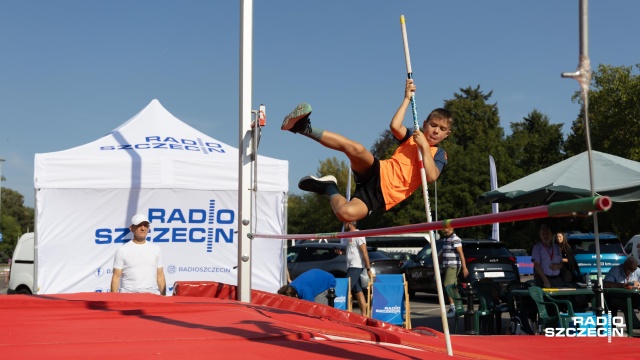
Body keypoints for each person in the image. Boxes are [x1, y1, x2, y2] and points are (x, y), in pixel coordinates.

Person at [281, 79, 451, 222]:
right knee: (356, 148)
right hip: (378, 170)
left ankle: (329, 187)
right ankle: (302, 128)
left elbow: (431, 176)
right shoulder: (412, 137)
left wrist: (424, 148)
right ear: (425, 124)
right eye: (433, 125)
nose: (436, 131)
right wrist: (407, 99)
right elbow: (394, 126)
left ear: (446, 134)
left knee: (345, 214)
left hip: (380, 197)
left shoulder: (439, 154)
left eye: (442, 129)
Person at [110, 213, 166, 295]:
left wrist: (163, 297)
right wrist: (113, 300)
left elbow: (160, 275)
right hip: (128, 296)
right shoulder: (122, 250)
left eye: (145, 225)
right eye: (139, 225)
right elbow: (116, 277)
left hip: (152, 295)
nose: (143, 228)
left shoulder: (156, 249)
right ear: (131, 228)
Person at [603, 257, 640, 328]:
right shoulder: (615, 270)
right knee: (626, 305)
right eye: (630, 269)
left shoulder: (637, 270)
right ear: (625, 265)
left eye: (634, 269)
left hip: (632, 295)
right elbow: (606, 284)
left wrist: (638, 284)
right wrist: (622, 285)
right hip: (617, 297)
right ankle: (635, 325)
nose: (632, 271)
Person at [344, 221, 372, 315]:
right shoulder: (349, 236)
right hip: (350, 266)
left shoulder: (358, 234)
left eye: (345, 223)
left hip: (356, 266)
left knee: (346, 289)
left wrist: (368, 269)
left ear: (350, 224)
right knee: (358, 291)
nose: (344, 225)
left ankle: (344, 313)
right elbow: (351, 251)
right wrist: (341, 252)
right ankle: (364, 315)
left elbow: (364, 252)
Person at [440, 227, 469, 317]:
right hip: (447, 265)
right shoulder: (446, 239)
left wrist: (464, 267)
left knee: (447, 285)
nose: (443, 229)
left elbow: (461, 253)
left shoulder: (455, 239)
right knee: (453, 286)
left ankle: (453, 308)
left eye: (445, 227)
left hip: (453, 265)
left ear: (450, 228)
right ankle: (458, 308)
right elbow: (444, 252)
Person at [531, 224, 564, 288]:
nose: (546, 236)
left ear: (551, 235)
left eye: (547, 233)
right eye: (543, 234)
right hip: (543, 279)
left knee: (559, 297)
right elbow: (536, 265)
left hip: (556, 279)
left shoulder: (557, 247)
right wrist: (545, 280)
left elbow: (561, 263)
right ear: (540, 236)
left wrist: (558, 266)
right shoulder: (537, 247)